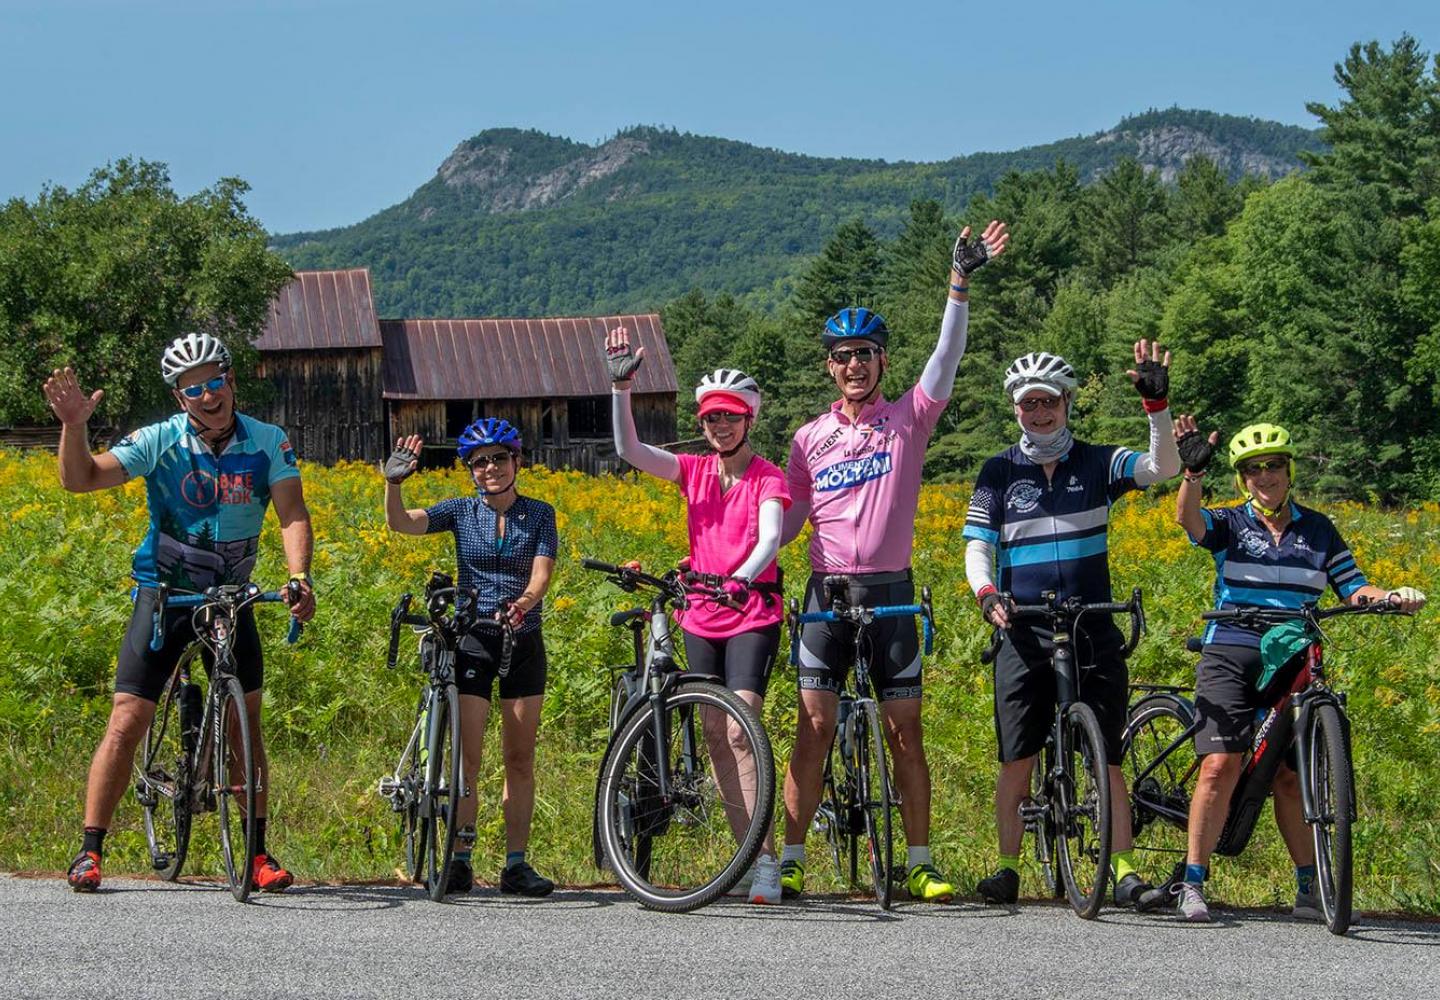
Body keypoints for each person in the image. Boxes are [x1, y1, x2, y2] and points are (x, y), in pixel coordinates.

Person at [779, 220, 1010, 903]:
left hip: (892, 590)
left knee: (905, 730)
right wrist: (736, 555)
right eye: (843, 355)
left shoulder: (910, 417)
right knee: (814, 725)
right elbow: (788, 522)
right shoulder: (807, 439)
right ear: (829, 364)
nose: (855, 365)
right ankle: (790, 858)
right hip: (827, 591)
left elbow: (947, 355)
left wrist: (958, 283)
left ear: (882, 362)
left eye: (867, 354)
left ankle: (919, 860)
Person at [42, 334, 316, 893]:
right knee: (127, 718)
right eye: (194, 389)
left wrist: (298, 575)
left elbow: (292, 512)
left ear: (231, 380)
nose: (208, 395)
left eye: (215, 382)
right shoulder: (160, 440)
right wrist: (74, 426)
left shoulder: (268, 441)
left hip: (232, 599)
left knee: (246, 725)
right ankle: (90, 849)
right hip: (165, 595)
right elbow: (80, 479)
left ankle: (258, 852)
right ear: (179, 396)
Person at [1150, 417, 1426, 922]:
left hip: (1294, 649)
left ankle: (1309, 887)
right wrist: (1191, 473)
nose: (1265, 476)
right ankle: (1193, 880)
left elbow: (1353, 586)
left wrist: (1390, 598)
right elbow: (1188, 522)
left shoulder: (1318, 529)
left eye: (1274, 465)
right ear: (1243, 479)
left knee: (1291, 778)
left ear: (1288, 469)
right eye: (1254, 470)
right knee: (1221, 764)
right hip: (1232, 645)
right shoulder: (1232, 523)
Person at [963, 342, 1181, 908]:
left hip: (1091, 623)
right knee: (1018, 756)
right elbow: (977, 544)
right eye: (1027, 405)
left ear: (1066, 402)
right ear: (1015, 408)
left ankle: (1126, 871)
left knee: (1107, 754)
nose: (1038, 414)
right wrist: (986, 593)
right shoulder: (999, 470)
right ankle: (1007, 868)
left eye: (1048, 403)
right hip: (1023, 625)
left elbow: (1163, 468)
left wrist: (1156, 405)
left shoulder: (1097, 461)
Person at [602, 330, 791, 904]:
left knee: (740, 727)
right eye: (711, 419)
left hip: (751, 610)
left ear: (748, 421)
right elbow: (630, 452)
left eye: (730, 418)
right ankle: (747, 858)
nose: (720, 427)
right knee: (712, 731)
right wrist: (620, 387)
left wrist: (741, 578)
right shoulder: (693, 470)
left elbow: (771, 537)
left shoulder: (767, 476)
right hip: (701, 613)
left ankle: (766, 864)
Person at [382, 418, 557, 897]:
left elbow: (541, 576)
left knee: (520, 759)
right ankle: (460, 857)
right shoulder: (461, 511)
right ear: (470, 471)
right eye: (479, 462)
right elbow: (401, 524)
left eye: (499, 458)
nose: (490, 468)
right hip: (473, 638)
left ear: (516, 461)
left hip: (522, 638)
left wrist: (522, 605)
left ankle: (516, 865)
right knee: (467, 760)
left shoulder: (541, 513)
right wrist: (393, 485)